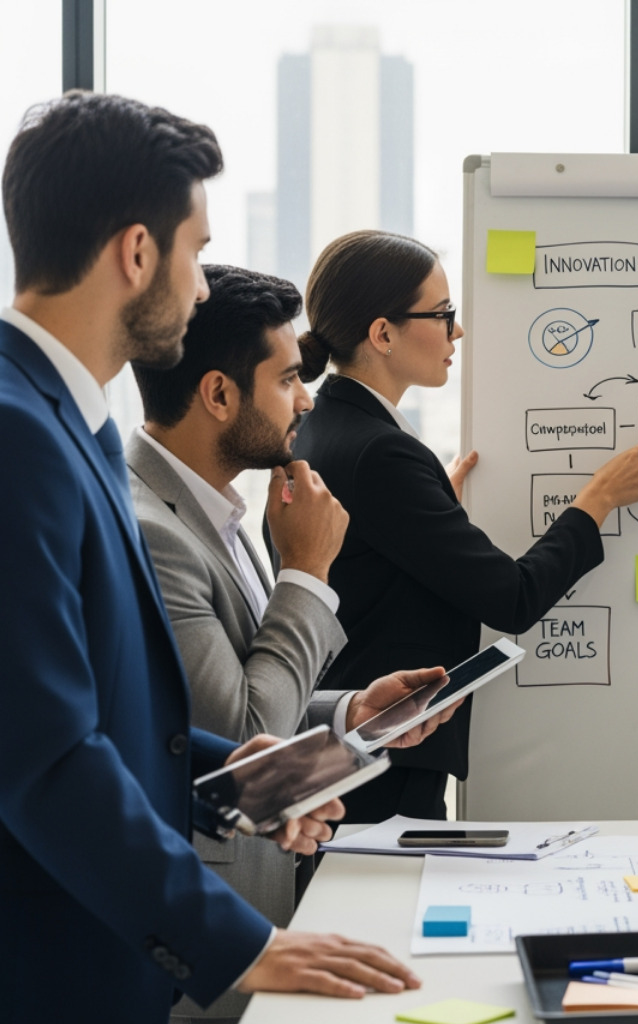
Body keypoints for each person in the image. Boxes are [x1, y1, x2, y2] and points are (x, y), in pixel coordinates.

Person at [0, 92, 418, 1023]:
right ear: (136, 252)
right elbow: (43, 758)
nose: (198, 287)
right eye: (193, 251)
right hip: (58, 968)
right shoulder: (16, 432)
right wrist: (248, 945)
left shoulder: (74, 423)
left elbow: (105, 714)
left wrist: (247, 786)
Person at [129, 264, 460, 1023]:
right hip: (203, 939)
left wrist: (351, 717)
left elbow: (211, 715)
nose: (306, 400)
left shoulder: (217, 512)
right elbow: (241, 739)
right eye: (286, 381)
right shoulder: (153, 530)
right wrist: (308, 573)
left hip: (253, 904)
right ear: (219, 395)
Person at [290, 229, 638, 821]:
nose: (458, 332)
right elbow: (512, 598)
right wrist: (597, 500)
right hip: (384, 760)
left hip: (351, 754)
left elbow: (366, 565)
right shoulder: (381, 454)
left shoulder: (324, 426)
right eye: (444, 315)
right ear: (383, 333)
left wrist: (428, 511)